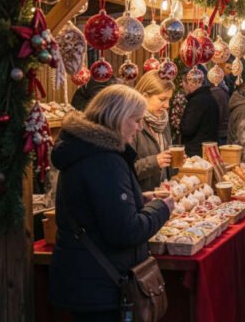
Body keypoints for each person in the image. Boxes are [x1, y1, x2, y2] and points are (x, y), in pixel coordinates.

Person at [50, 85, 174, 320]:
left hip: (88, 279)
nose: (139, 128)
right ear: (117, 117)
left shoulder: (87, 150)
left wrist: (139, 199)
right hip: (101, 285)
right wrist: (162, 208)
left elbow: (96, 206)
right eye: (136, 120)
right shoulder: (104, 159)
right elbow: (125, 231)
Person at [132, 70, 175, 191]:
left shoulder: (163, 121)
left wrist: (175, 162)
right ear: (145, 97)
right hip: (141, 196)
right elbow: (125, 170)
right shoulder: (131, 124)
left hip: (162, 194)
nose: (167, 105)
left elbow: (166, 169)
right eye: (162, 99)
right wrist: (155, 162)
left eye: (169, 99)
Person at [179, 68, 220, 157]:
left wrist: (181, 124)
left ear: (191, 82)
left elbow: (187, 129)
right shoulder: (210, 97)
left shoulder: (196, 101)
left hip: (195, 152)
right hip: (208, 149)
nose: (182, 85)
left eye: (183, 82)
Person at [209, 75, 231, 145]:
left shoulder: (216, 93)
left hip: (220, 132)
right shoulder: (223, 91)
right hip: (224, 131)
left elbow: (218, 114)